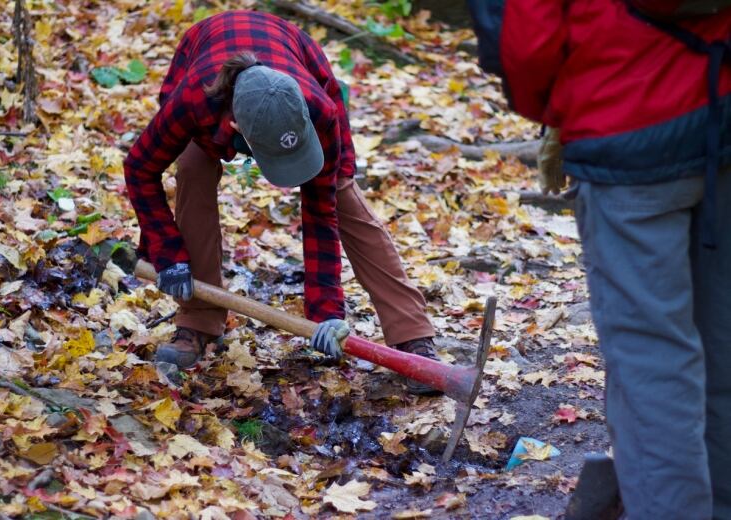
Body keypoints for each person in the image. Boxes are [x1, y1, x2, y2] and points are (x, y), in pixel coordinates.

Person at [466, 1, 730, 518]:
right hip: (723, 116)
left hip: (625, 129)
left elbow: (528, 44)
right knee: (723, 337)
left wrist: (562, 111)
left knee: (650, 360)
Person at [123, 10, 440, 394]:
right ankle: (197, 321)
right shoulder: (191, 102)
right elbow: (140, 168)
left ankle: (413, 337)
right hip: (204, 68)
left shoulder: (318, 108)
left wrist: (327, 315)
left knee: (340, 193)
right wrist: (169, 255)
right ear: (237, 129)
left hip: (294, 55)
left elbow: (320, 212)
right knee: (192, 170)